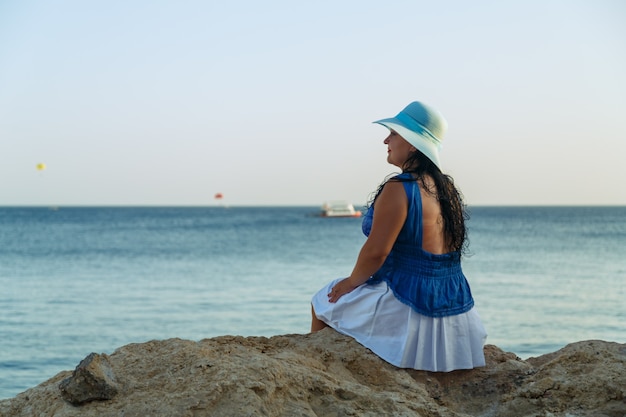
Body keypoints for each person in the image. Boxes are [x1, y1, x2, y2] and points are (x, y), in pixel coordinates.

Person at [310, 101, 487, 372]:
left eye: (393, 133)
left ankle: (315, 369)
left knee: (323, 300)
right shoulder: (446, 189)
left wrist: (350, 282)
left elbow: (376, 253)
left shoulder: (400, 187)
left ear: (414, 143)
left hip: (411, 309)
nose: (385, 140)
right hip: (456, 311)